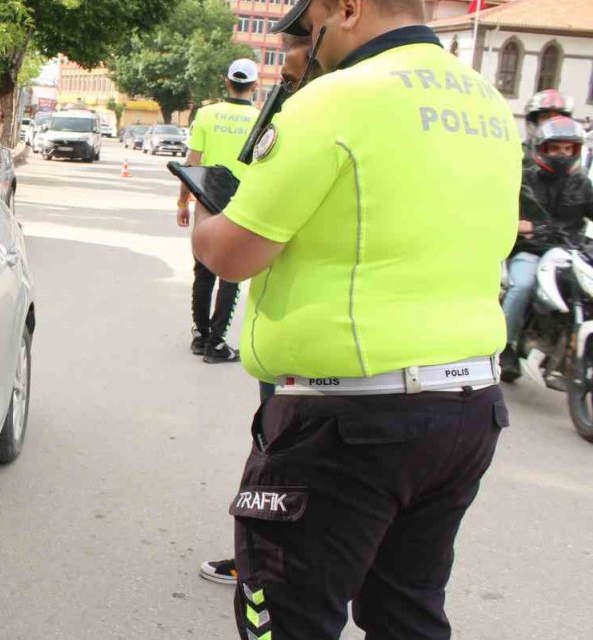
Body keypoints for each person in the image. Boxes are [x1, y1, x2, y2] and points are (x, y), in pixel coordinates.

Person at [191, 0, 519, 637]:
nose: (307, 40)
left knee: (285, 620)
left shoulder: (336, 100)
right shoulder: (487, 103)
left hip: (349, 425)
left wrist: (207, 218)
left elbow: (234, 255)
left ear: (349, 9)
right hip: (467, 408)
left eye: (309, 24)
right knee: (407, 613)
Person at [198, 30, 322, 587]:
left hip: (309, 341)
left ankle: (264, 564)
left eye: (293, 56)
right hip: (447, 378)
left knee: (280, 460)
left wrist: (205, 215)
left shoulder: (316, 116)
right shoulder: (465, 108)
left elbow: (231, 255)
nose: (283, 69)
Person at [176, 58, 260, 364]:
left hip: (206, 201)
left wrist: (182, 202)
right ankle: (217, 342)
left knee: (203, 269)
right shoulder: (262, 118)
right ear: (255, 85)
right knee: (231, 272)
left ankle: (200, 336)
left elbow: (192, 162)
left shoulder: (207, 114)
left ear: (226, 82)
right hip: (241, 202)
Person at [500, 116, 593, 381]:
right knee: (522, 286)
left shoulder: (582, 183)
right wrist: (518, 225)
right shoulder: (524, 179)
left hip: (569, 250)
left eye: (568, 149)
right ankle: (504, 347)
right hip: (531, 249)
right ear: (543, 149)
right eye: (556, 148)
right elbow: (506, 213)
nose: (562, 155)